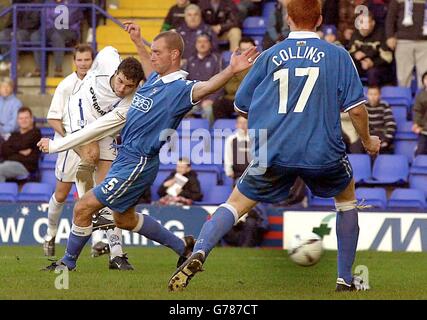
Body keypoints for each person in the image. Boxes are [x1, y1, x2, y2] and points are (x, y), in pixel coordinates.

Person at [168, 0, 380, 293]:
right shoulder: (338, 55)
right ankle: (345, 279)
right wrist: (368, 141)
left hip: (275, 150)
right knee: (346, 200)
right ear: (319, 19)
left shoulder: (270, 55)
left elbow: (241, 104)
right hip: (322, 152)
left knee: (234, 204)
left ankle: (200, 251)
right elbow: (356, 110)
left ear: (287, 18)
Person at [40, 24, 259, 272]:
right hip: (127, 157)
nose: (151, 55)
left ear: (174, 54)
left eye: (156, 51)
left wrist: (231, 69)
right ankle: (182, 247)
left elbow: (207, 87)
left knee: (83, 206)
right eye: (152, 51)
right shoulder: (156, 77)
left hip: (138, 162)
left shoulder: (180, 88)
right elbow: (146, 62)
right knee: (124, 219)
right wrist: (136, 41)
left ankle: (67, 264)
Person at [386, 0, 427, 88]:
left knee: (425, 76)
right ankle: (403, 100)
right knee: (403, 76)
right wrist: (390, 36)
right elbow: (390, 17)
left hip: (425, 42)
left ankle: (423, 100)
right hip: (403, 42)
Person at [348, 12, 394, 87]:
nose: (363, 26)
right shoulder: (356, 33)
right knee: (349, 69)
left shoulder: (381, 34)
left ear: (373, 23)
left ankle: (373, 96)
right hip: (360, 64)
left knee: (372, 72)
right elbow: (349, 50)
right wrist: (355, 53)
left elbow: (388, 58)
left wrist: (372, 63)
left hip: (378, 66)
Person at [0, 107, 41, 181]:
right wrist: (19, 151)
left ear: (31, 119)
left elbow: (23, 144)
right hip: (8, 163)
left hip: (25, 166)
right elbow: (3, 149)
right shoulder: (14, 135)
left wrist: (11, 148)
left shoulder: (35, 133)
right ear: (17, 120)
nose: (23, 120)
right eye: (21, 118)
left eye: (26, 118)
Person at [223, 115, 250, 184]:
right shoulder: (231, 139)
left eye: (245, 123)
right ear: (237, 125)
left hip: (253, 176)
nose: (242, 125)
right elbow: (228, 157)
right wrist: (229, 171)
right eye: (240, 123)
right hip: (238, 175)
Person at [413, 71, 427, 155]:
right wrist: (416, 124)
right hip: (424, 131)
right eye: (426, 78)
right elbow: (417, 111)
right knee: (420, 153)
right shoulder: (420, 96)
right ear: (423, 81)